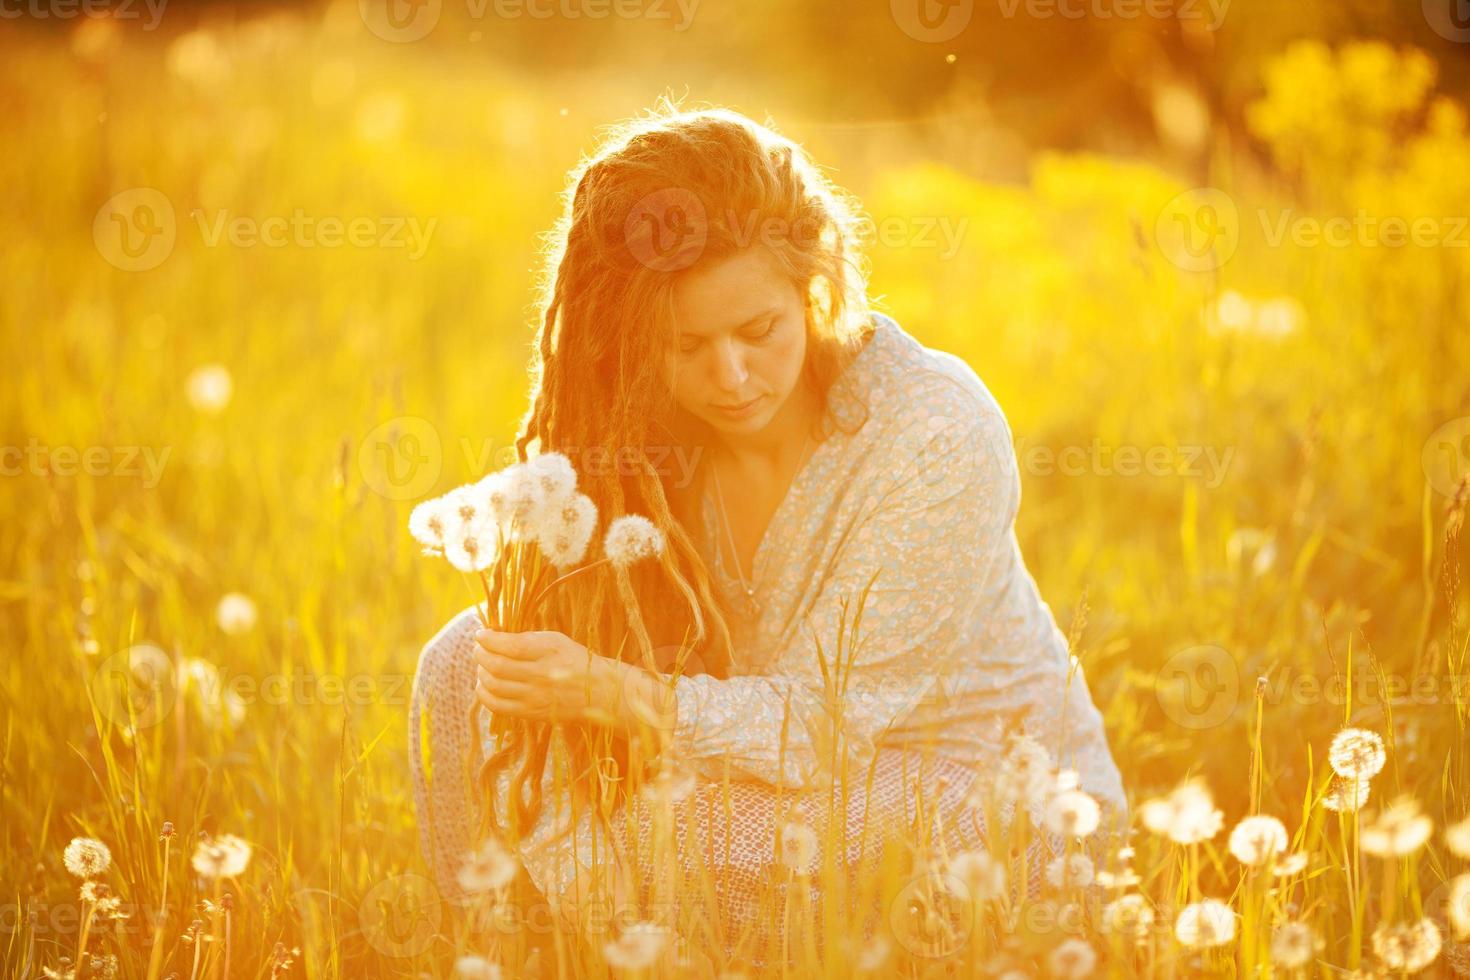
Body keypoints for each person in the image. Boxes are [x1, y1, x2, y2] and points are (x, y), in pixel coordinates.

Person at [409, 102, 1127, 969]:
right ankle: (528, 947)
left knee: (657, 822)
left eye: (758, 331)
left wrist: (613, 694)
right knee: (462, 671)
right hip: (751, 774)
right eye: (686, 346)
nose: (732, 377)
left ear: (814, 283)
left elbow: (824, 729)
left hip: (974, 800)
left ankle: (650, 939)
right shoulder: (644, 435)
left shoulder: (934, 431)